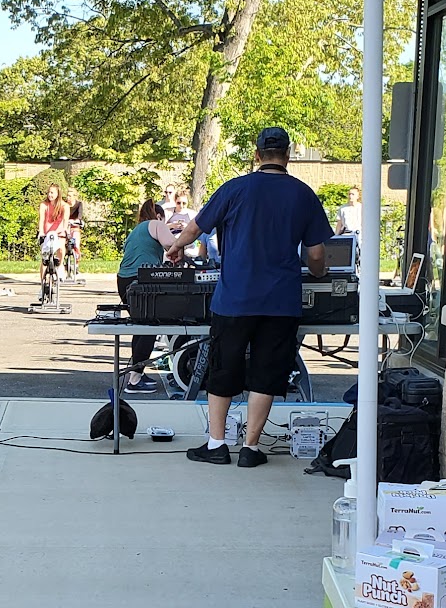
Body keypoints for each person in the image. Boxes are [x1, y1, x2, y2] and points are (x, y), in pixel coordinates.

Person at [163, 127, 333, 466]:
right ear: (288, 156)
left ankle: (216, 445)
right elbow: (316, 254)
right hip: (281, 301)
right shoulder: (304, 194)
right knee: (266, 373)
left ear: (257, 155)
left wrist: (176, 247)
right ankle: (250, 449)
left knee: (223, 368)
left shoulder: (234, 188)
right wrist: (319, 272)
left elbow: (195, 227)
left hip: (235, 298)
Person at [116, 198, 178, 392]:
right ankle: (135, 379)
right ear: (159, 216)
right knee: (151, 325)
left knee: (141, 325)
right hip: (140, 280)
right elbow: (172, 245)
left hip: (124, 280)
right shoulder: (157, 224)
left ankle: (137, 373)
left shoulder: (136, 230)